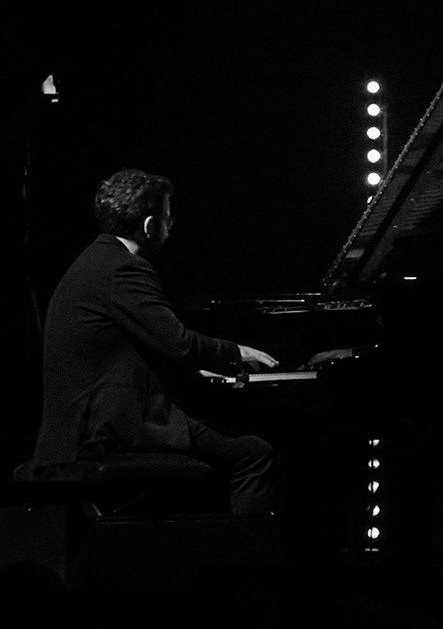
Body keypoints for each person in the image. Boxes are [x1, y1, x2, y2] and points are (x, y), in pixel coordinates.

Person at [31, 169, 282, 514]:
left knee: (221, 446)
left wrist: (194, 376)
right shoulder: (123, 268)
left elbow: (134, 353)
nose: (171, 226)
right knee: (254, 453)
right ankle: (241, 563)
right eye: (167, 218)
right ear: (150, 225)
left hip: (82, 429)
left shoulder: (95, 262)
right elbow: (178, 343)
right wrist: (235, 352)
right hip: (105, 431)